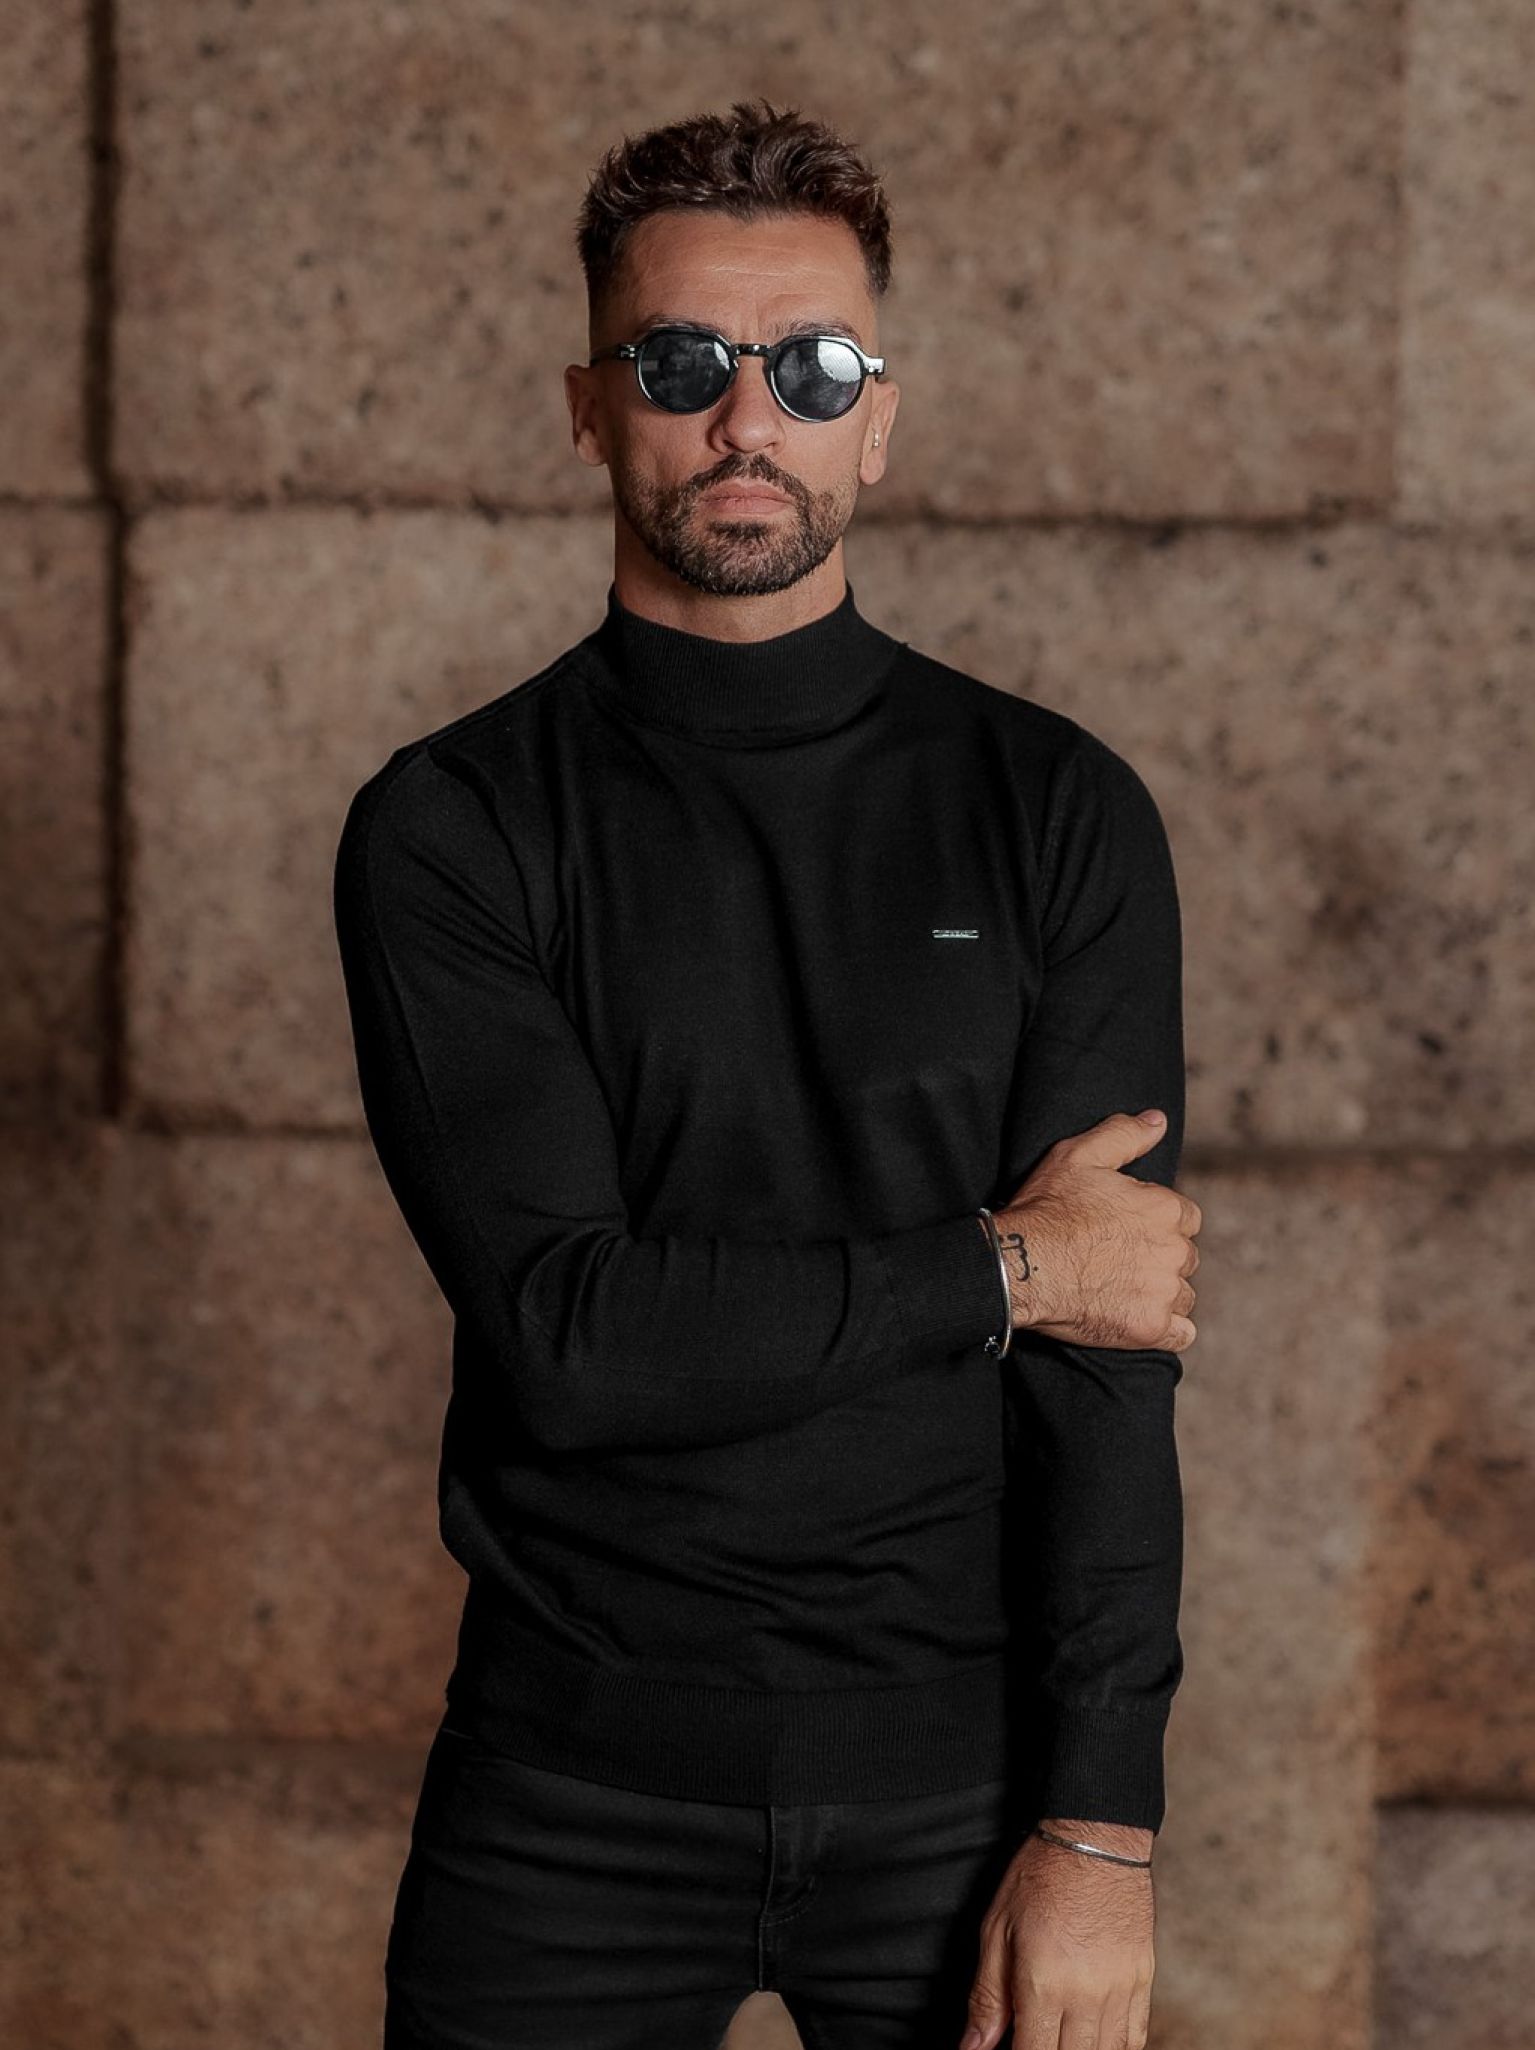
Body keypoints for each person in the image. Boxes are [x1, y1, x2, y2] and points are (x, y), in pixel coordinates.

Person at [332, 95, 1202, 2050]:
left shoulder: (1058, 809)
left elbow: (1106, 1371)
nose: (749, 417)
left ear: (877, 419)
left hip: (967, 1793)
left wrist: (1103, 1824)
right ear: (589, 408)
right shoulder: (455, 826)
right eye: (681, 363)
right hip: (566, 1790)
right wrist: (1007, 1265)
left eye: (811, 368)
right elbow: (571, 1332)